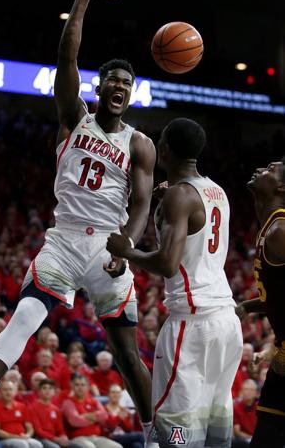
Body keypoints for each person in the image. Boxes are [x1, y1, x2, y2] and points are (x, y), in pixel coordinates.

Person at [0, 0, 156, 448]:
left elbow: (143, 201)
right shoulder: (73, 116)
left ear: (132, 92)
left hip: (109, 248)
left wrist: (131, 242)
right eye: (113, 80)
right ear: (99, 88)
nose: (121, 86)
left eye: (128, 82)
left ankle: (155, 433)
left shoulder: (141, 144)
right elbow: (67, 57)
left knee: (126, 353)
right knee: (26, 315)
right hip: (64, 239)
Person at [106, 118, 243, 448]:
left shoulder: (178, 197)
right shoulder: (216, 191)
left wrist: (128, 251)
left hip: (192, 324)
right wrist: (166, 204)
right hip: (227, 322)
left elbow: (168, 264)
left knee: (174, 433)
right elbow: (195, 233)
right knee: (215, 428)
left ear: (164, 150)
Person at [235, 158, 285, 448]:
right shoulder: (269, 227)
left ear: (280, 186)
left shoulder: (280, 232)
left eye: (269, 169)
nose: (259, 169)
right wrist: (247, 307)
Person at [62, 374, 122, 448]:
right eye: (77, 385)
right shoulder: (68, 402)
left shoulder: (94, 401)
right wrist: (95, 419)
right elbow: (75, 421)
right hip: (77, 437)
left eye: (83, 385)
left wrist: (85, 415)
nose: (80, 387)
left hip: (96, 437)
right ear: (72, 387)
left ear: (88, 387)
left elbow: (104, 416)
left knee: (117, 446)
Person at [0, 380, 42, 448]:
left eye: (10, 389)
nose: (8, 392)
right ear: (0, 392)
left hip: (22, 437)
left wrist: (28, 435)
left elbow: (30, 427)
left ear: (15, 392)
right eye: (5, 390)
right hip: (4, 439)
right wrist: (16, 437)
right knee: (22, 445)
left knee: (37, 444)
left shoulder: (22, 406)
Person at [28, 378, 80, 448]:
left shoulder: (56, 410)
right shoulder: (32, 407)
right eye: (44, 388)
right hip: (40, 438)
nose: (47, 391)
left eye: (50, 388)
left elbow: (60, 430)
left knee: (77, 446)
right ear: (39, 392)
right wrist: (56, 439)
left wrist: (64, 437)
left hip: (55, 438)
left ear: (54, 392)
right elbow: (38, 431)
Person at [232, 379, 258, 447]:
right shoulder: (236, 407)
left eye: (251, 389)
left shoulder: (259, 408)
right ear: (241, 391)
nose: (249, 392)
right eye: (246, 389)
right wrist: (251, 438)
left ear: (256, 392)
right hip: (243, 441)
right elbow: (237, 431)